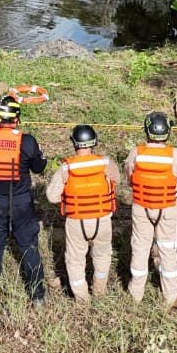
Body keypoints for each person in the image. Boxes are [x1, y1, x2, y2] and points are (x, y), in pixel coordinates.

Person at [0, 96, 48, 304]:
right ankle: (37, 295)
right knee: (29, 247)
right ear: (16, 118)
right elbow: (39, 168)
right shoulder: (27, 141)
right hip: (22, 202)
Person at [46, 125, 120, 302]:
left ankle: (82, 298)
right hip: (102, 220)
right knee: (102, 255)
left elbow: (51, 196)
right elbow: (116, 180)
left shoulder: (66, 168)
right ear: (94, 141)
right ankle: (99, 290)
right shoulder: (105, 163)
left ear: (74, 143)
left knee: (75, 260)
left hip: (76, 222)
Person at [123, 112, 177, 306]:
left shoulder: (136, 153)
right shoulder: (175, 155)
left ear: (147, 130)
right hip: (168, 208)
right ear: (167, 132)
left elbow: (129, 177)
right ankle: (170, 295)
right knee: (168, 250)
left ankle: (136, 293)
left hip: (141, 207)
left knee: (140, 248)